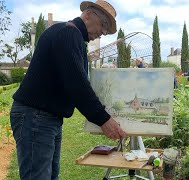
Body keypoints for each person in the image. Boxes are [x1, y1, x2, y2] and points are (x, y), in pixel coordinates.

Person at [9, 1, 126, 179]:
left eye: (106, 30)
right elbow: (77, 84)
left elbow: (76, 83)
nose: (102, 32)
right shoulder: (68, 32)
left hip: (45, 118)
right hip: (36, 117)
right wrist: (104, 120)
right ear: (88, 14)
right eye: (103, 25)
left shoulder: (72, 36)